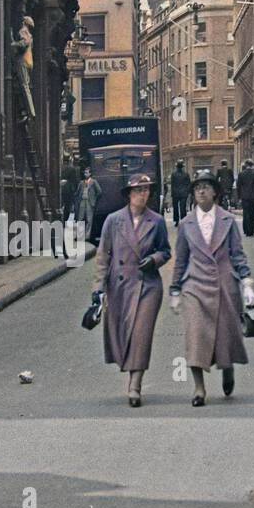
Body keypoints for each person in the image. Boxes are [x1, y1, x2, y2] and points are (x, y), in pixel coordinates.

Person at [169, 171, 254, 406]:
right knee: (196, 335)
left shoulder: (227, 220)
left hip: (223, 284)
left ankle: (227, 366)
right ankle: (199, 389)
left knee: (225, 335)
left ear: (215, 192)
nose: (201, 191)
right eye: (198, 187)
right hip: (194, 286)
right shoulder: (186, 223)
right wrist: (175, 290)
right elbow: (180, 259)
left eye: (206, 186)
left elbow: (237, 254)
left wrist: (247, 282)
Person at [91, 172, 171, 407]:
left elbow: (165, 251)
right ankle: (130, 372)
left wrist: (155, 260)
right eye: (138, 191)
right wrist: (98, 288)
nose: (143, 195)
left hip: (148, 287)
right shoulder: (113, 221)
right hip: (119, 286)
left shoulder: (156, 221)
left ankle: (135, 385)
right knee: (122, 334)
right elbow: (103, 256)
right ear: (129, 195)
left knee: (141, 335)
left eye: (146, 191)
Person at [74, 166, 102, 239]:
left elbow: (99, 191)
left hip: (90, 202)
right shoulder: (81, 182)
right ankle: (80, 235)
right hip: (82, 201)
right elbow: (77, 192)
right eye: (85, 173)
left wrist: (94, 199)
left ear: (90, 174)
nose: (85, 174)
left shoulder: (94, 182)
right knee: (80, 218)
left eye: (86, 173)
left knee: (89, 219)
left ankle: (87, 236)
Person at [236, 159, 254, 237]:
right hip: (253, 197)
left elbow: (238, 186)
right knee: (252, 213)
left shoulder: (241, 174)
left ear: (246, 165)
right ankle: (252, 230)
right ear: (252, 165)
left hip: (245, 196)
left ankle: (247, 230)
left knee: (246, 213)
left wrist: (239, 196)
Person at [170, 160, 190, 226]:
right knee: (183, 207)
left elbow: (172, 184)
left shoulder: (173, 174)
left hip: (175, 193)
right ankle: (183, 220)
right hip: (184, 193)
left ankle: (177, 221)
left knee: (175, 208)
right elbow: (188, 184)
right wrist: (187, 192)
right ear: (182, 167)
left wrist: (172, 193)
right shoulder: (186, 174)